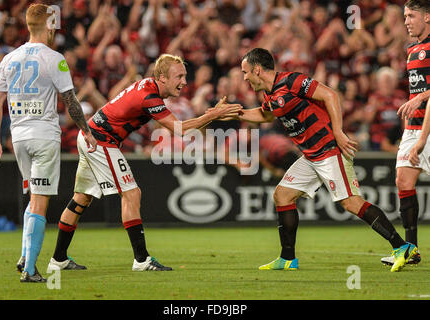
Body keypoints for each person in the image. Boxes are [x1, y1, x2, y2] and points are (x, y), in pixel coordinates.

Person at [47, 53, 241, 272]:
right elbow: (179, 129)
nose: (184, 82)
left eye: (185, 76)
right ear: (162, 77)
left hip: (91, 135)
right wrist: (213, 115)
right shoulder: (149, 96)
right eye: (179, 76)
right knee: (132, 193)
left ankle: (58, 258)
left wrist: (209, 115)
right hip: (100, 140)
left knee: (81, 198)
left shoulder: (147, 86)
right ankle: (141, 260)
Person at [228, 47, 416, 272]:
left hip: (329, 149)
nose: (245, 77)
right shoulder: (269, 94)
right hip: (310, 155)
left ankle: (401, 247)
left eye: (246, 72)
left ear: (257, 69)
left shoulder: (292, 81)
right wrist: (231, 112)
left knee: (351, 203)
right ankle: (287, 259)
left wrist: (338, 131)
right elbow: (265, 115)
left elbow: (330, 94)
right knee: (283, 195)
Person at [0, 3, 97, 282]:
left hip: (19, 138)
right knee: (40, 202)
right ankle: (30, 270)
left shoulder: (9, 59)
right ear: (48, 26)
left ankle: (25, 254)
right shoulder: (55, 58)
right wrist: (87, 131)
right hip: (44, 136)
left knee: (33, 198)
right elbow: (70, 101)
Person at [381, 0, 430, 266]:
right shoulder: (411, 49)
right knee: (403, 181)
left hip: (429, 127)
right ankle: (411, 249)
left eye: (411, 16)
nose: (406, 21)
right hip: (414, 127)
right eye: (404, 16)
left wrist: (421, 97)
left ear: (428, 17)